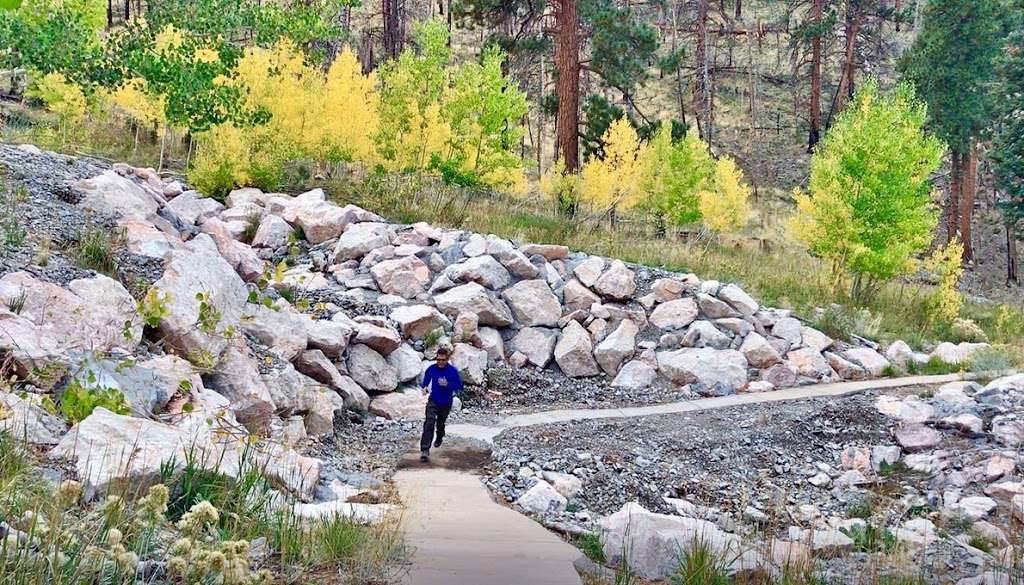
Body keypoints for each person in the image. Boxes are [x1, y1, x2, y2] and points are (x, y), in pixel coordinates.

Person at [419, 347, 462, 462]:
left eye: (443, 360)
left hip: (446, 402)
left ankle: (439, 436)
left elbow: (459, 386)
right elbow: (426, 380)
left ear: (447, 360)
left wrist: (447, 384)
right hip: (433, 400)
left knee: (440, 423)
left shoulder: (452, 371)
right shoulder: (431, 369)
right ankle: (425, 450)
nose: (440, 362)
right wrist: (424, 387)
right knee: (429, 421)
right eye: (438, 360)